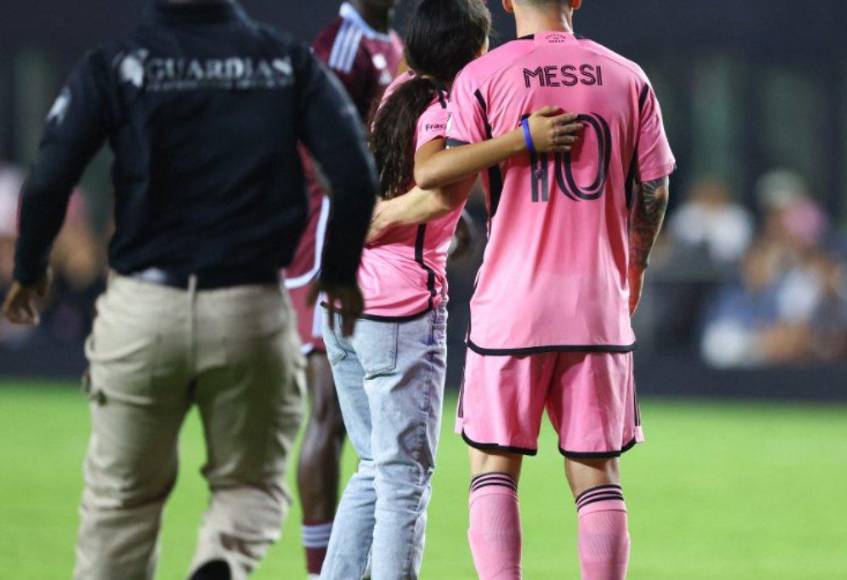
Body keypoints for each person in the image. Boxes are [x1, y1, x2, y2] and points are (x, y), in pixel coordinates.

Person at [1, 1, 378, 578]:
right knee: (249, 487)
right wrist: (340, 273)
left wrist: (30, 270)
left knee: (121, 506)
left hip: (142, 308)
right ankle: (220, 559)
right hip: (249, 307)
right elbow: (354, 172)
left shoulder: (116, 64)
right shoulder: (284, 62)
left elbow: (51, 173)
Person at [317, 1, 580, 577]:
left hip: (341, 301)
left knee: (373, 468)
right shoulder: (448, 104)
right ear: (477, 51)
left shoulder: (398, 89)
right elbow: (435, 181)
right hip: (396, 309)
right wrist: (523, 140)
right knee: (405, 479)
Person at [416, 1, 675, 577]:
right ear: (576, 0)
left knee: (493, 466)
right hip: (597, 306)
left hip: (513, 303)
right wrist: (634, 268)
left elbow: (443, 174)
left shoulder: (481, 77)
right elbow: (653, 187)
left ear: (506, 1)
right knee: (597, 472)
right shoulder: (628, 76)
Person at [286, 3, 403, 577]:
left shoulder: (390, 42)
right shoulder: (340, 46)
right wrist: (376, 212)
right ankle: (320, 567)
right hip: (325, 239)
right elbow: (324, 153)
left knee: (362, 428)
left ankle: (345, 563)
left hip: (365, 233)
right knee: (330, 411)